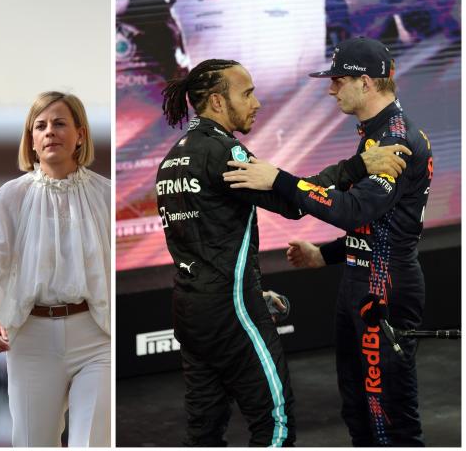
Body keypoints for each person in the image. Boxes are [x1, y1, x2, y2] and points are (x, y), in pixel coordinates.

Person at [156, 58, 411, 447]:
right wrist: (359, 165)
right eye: (247, 93)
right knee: (275, 425)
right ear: (217, 102)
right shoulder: (224, 151)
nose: (257, 103)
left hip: (191, 312)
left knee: (204, 430)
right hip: (233, 312)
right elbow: (292, 202)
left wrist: (254, 290)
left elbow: (205, 245)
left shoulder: (172, 159)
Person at [224, 37, 431, 446]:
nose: (331, 89)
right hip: (362, 282)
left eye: (337, 80)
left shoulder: (395, 140)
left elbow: (354, 210)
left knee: (388, 416)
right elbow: (380, 223)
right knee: (358, 409)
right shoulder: (375, 134)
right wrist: (326, 253)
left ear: (367, 83)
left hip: (383, 289)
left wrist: (278, 179)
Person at [0, 91, 111, 447]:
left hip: (96, 336)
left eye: (60, 123)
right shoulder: (11, 196)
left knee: (92, 443)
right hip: (31, 339)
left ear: (81, 134)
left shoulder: (106, 194)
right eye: (39, 126)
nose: (50, 132)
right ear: (31, 139)